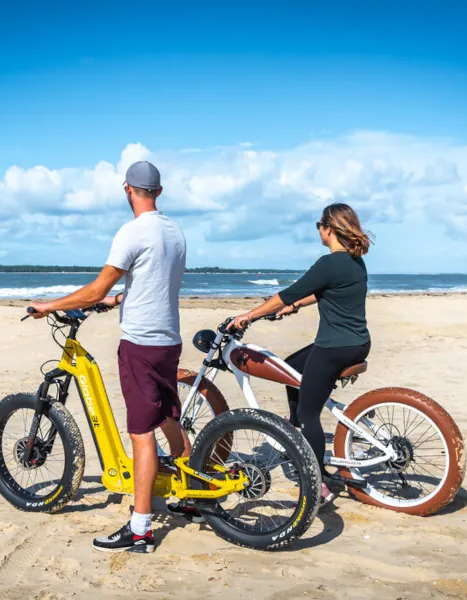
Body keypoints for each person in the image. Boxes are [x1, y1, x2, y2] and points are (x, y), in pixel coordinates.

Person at [27, 160, 192, 553]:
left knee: (141, 433)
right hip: (168, 339)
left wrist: (49, 306)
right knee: (168, 415)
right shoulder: (175, 232)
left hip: (140, 343)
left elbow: (94, 289)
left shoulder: (132, 232)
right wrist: (119, 300)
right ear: (159, 191)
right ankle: (190, 495)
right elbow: (152, 281)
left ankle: (140, 529)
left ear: (127, 189)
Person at [228, 202, 372, 505]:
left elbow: (288, 292)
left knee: (310, 413)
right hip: (358, 343)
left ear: (329, 229)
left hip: (334, 347)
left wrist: (249, 316)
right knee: (292, 366)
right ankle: (295, 427)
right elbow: (321, 291)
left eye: (319, 226)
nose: (318, 231)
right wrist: (294, 306)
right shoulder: (354, 262)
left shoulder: (328, 263)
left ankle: (317, 483)